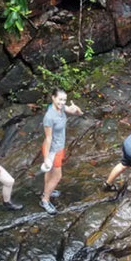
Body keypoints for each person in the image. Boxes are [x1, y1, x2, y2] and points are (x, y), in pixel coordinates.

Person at [40, 87, 83, 215]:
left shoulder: (62, 108)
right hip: (53, 150)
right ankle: (45, 200)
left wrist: (77, 109)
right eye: (60, 99)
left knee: (51, 173)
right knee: (57, 176)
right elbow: (48, 138)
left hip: (60, 147)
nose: (62, 102)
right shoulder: (49, 117)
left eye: (64, 99)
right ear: (53, 98)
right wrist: (47, 157)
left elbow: (77, 113)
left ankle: (47, 191)